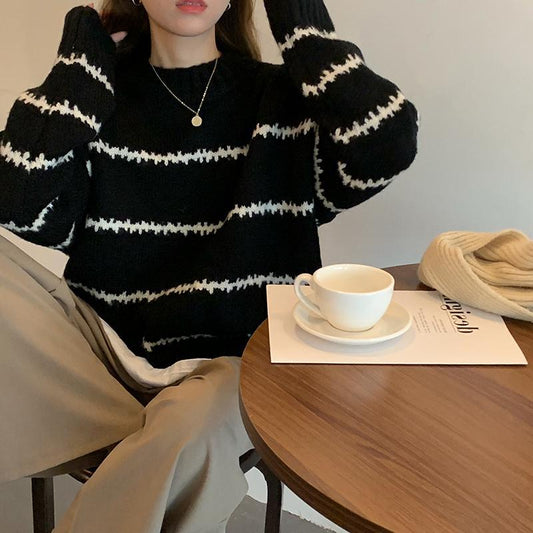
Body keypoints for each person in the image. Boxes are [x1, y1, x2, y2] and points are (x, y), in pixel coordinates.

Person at [0, 0, 418, 531]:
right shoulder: (96, 96)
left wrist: (302, 27)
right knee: (181, 432)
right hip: (104, 359)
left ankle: (159, 440)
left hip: (231, 369)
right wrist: (77, 73)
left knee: (191, 421)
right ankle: (161, 439)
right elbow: (17, 202)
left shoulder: (283, 99)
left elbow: (387, 145)